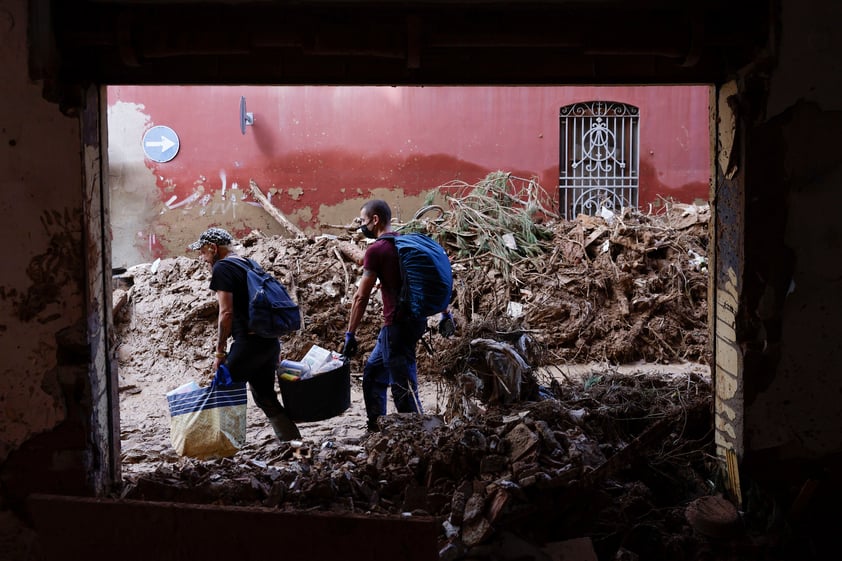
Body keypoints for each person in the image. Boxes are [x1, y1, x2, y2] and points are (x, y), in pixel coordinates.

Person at [188, 227, 301, 442]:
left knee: (221, 391)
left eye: (203, 252)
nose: (202, 258)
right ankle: (298, 449)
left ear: (213, 248)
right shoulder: (247, 263)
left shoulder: (221, 268)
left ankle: (220, 451)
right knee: (266, 397)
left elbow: (226, 313)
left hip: (248, 344)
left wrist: (219, 353)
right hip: (267, 343)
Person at [341, 200, 431, 432]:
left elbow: (361, 297)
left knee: (403, 387)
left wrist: (350, 333)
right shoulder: (402, 242)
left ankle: (420, 435)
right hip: (414, 321)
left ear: (375, 220)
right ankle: (376, 428)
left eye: (363, 221)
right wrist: (444, 313)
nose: (361, 225)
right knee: (373, 373)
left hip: (397, 326)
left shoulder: (376, 250)